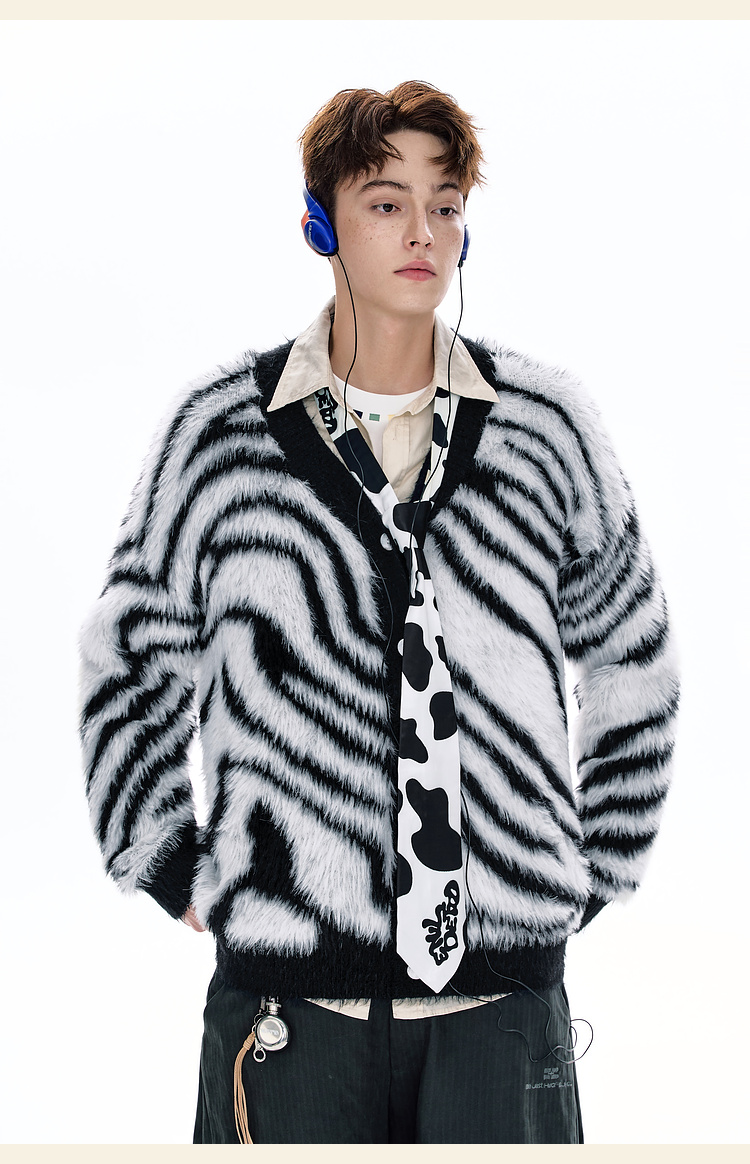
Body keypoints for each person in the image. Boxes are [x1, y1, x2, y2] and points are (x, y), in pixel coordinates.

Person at [79, 81, 679, 1144]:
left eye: (445, 206)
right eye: (386, 203)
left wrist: (586, 872)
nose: (423, 234)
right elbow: (131, 657)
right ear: (321, 224)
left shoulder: (547, 429)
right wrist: (171, 863)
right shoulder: (220, 437)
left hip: (503, 1011)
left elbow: (634, 657)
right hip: (289, 1011)